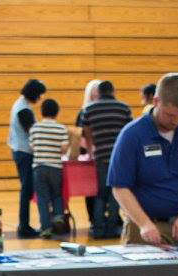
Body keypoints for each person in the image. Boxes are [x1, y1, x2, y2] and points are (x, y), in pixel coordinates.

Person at [107, 72, 178, 245]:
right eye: (170, 115)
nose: (176, 121)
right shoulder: (132, 134)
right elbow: (120, 187)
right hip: (142, 226)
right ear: (156, 101)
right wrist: (144, 223)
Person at [78, 79, 132, 239]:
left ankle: (98, 229)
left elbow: (86, 131)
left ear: (100, 92)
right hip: (119, 157)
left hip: (100, 156)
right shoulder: (123, 108)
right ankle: (112, 229)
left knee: (100, 194)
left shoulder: (89, 109)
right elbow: (129, 132)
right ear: (113, 91)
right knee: (116, 192)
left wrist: (90, 149)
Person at [8, 78, 46, 239]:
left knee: (26, 189)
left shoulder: (20, 104)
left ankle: (24, 225)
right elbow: (33, 133)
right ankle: (23, 226)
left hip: (19, 151)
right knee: (26, 189)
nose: (40, 98)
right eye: (40, 95)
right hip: (24, 153)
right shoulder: (23, 110)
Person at [29, 98, 70, 238]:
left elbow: (32, 147)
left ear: (42, 112)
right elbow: (64, 149)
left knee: (42, 198)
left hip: (39, 167)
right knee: (57, 195)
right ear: (57, 112)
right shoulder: (61, 128)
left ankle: (45, 228)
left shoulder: (35, 128)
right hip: (55, 167)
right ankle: (58, 217)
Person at [74, 79, 101, 219]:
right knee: (90, 188)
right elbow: (79, 135)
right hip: (89, 154)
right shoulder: (83, 112)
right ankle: (92, 217)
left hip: (102, 152)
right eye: (95, 90)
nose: (97, 93)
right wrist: (92, 148)